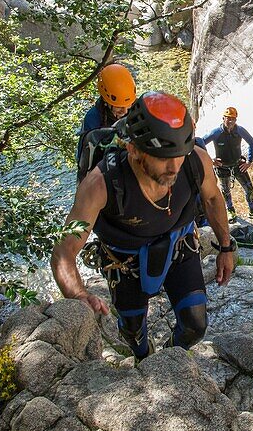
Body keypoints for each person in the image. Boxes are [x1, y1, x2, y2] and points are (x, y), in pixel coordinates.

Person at [52, 91, 236, 360]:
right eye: (163, 157)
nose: (174, 168)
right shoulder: (101, 184)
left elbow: (211, 197)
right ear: (134, 149)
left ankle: (168, 359)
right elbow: (63, 253)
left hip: (179, 245)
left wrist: (226, 246)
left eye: (179, 155)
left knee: (196, 326)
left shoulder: (195, 160)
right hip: (125, 263)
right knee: (135, 338)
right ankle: (145, 357)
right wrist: (79, 295)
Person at [201, 106, 253, 219]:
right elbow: (201, 143)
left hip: (238, 165)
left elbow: (252, 143)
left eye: (233, 119)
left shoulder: (239, 130)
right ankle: (230, 210)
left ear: (236, 120)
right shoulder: (216, 132)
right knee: (225, 191)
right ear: (223, 118)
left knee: (249, 188)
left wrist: (249, 161)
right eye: (228, 118)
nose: (230, 121)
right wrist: (210, 160)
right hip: (222, 167)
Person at [76, 63, 136, 162]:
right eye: (119, 107)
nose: (125, 111)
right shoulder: (93, 119)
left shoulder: (137, 108)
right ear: (106, 100)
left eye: (128, 105)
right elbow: (86, 158)